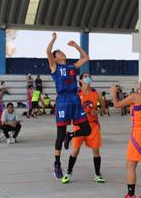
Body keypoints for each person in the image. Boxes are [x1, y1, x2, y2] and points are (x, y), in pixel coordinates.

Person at [47, 32, 91, 180]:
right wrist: (54, 39)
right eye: (58, 52)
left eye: (61, 51)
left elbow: (85, 58)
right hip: (63, 101)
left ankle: (70, 135)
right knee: (59, 134)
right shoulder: (54, 67)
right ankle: (57, 164)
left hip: (75, 99)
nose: (61, 52)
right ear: (55, 58)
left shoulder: (72, 66)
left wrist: (76, 46)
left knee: (87, 129)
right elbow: (48, 52)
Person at [111, 77, 141, 198]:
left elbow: (116, 104)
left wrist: (113, 92)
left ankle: (130, 195)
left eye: (140, 82)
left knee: (130, 165)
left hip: (140, 134)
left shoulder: (136, 96)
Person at [61, 72, 106, 184]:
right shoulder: (76, 94)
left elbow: (103, 106)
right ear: (80, 81)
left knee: (96, 151)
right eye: (85, 76)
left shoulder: (96, 93)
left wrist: (99, 110)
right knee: (75, 151)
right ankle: (68, 173)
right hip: (79, 125)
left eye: (89, 76)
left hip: (93, 125)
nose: (88, 78)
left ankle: (97, 174)